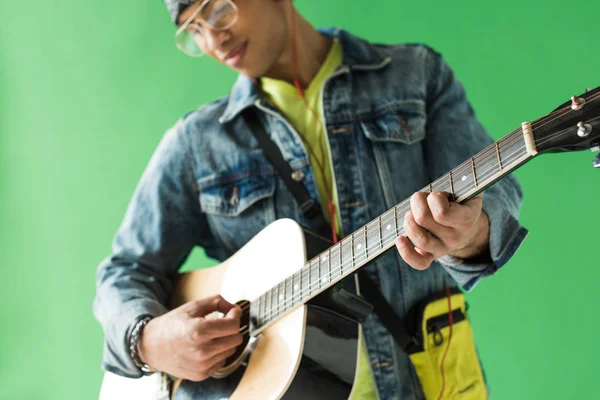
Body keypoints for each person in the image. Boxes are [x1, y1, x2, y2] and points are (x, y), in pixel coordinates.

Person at [93, 0, 528, 398]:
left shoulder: (417, 75)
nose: (212, 38)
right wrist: (147, 340)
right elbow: (124, 271)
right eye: (193, 30)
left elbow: (494, 196)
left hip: (431, 381)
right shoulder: (195, 143)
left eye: (217, 9)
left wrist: (471, 232)